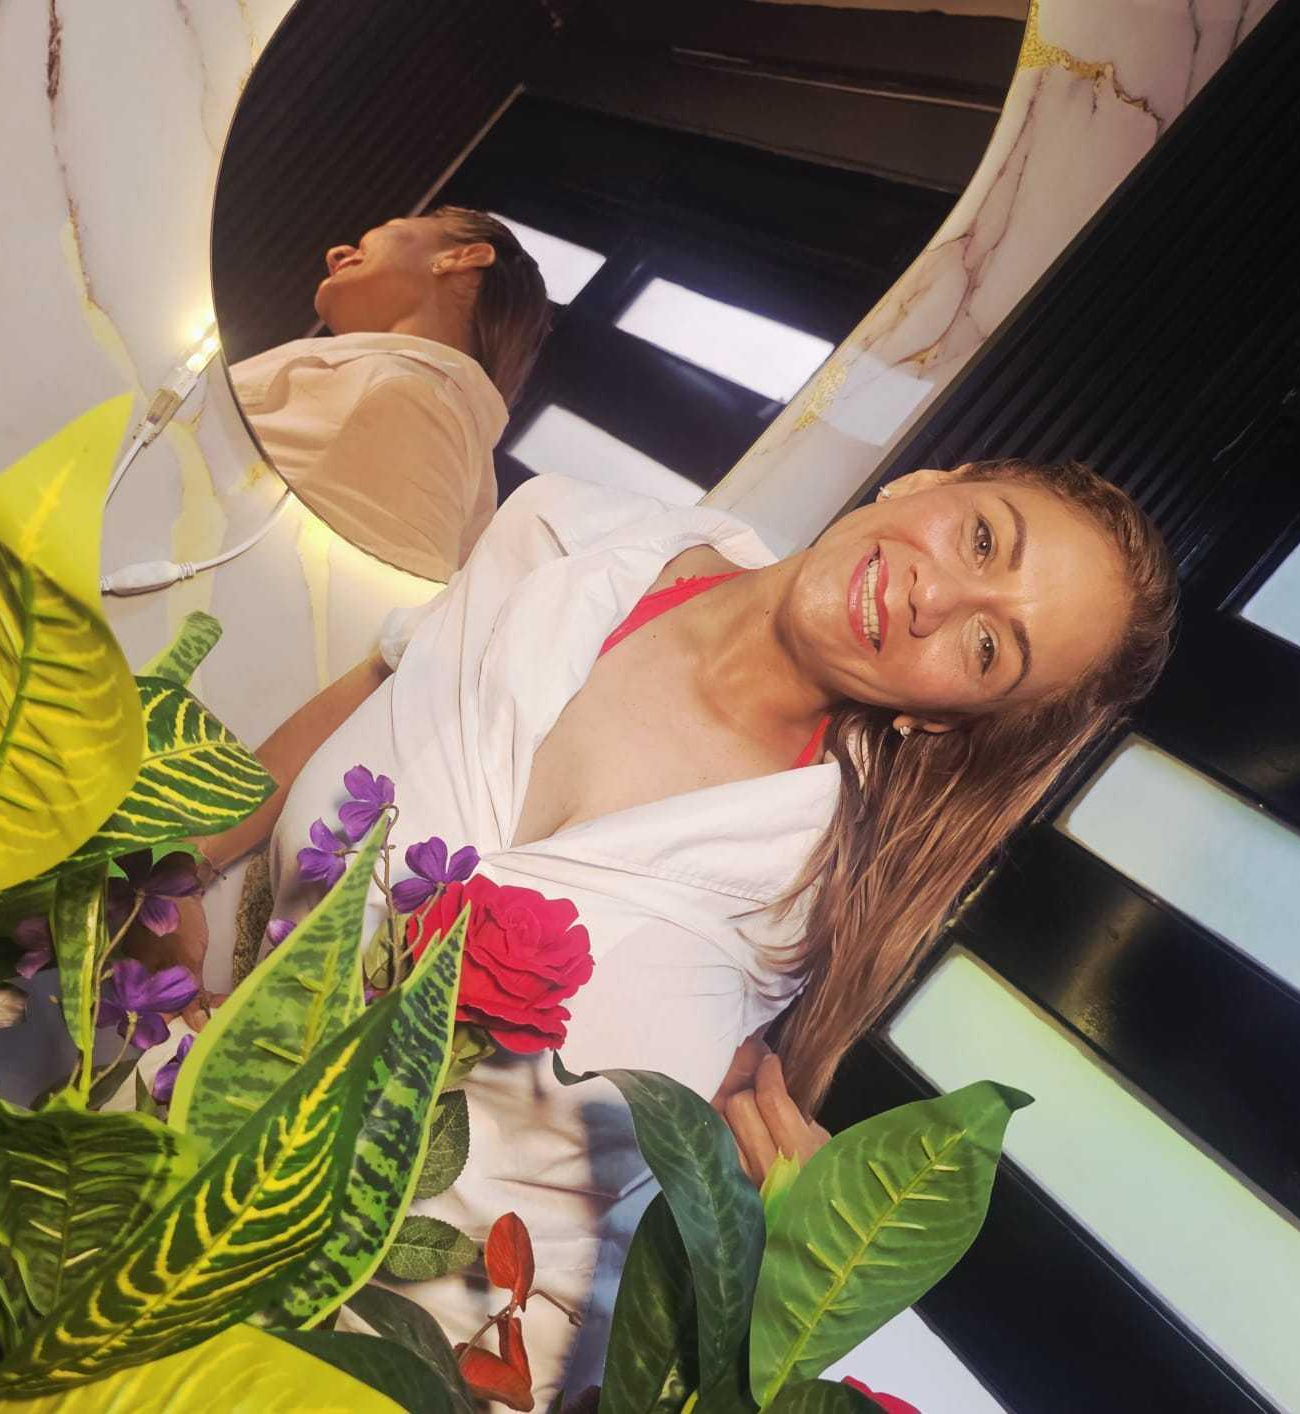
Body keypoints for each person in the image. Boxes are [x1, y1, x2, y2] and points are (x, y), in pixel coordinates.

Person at [195, 457, 1176, 1404]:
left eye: (986, 648)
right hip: (175, 1170)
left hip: (414, 1358)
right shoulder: (567, 536)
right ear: (927, 482)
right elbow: (366, 698)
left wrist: (782, 1245)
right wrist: (154, 874)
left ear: (946, 719)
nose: (937, 598)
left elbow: (660, 1141)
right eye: (980, 538)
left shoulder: (802, 903)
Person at [229, 206, 550, 580]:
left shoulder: (416, 407)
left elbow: (348, 599)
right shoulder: (404, 392)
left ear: (463, 258)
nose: (336, 253)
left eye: (390, 227)